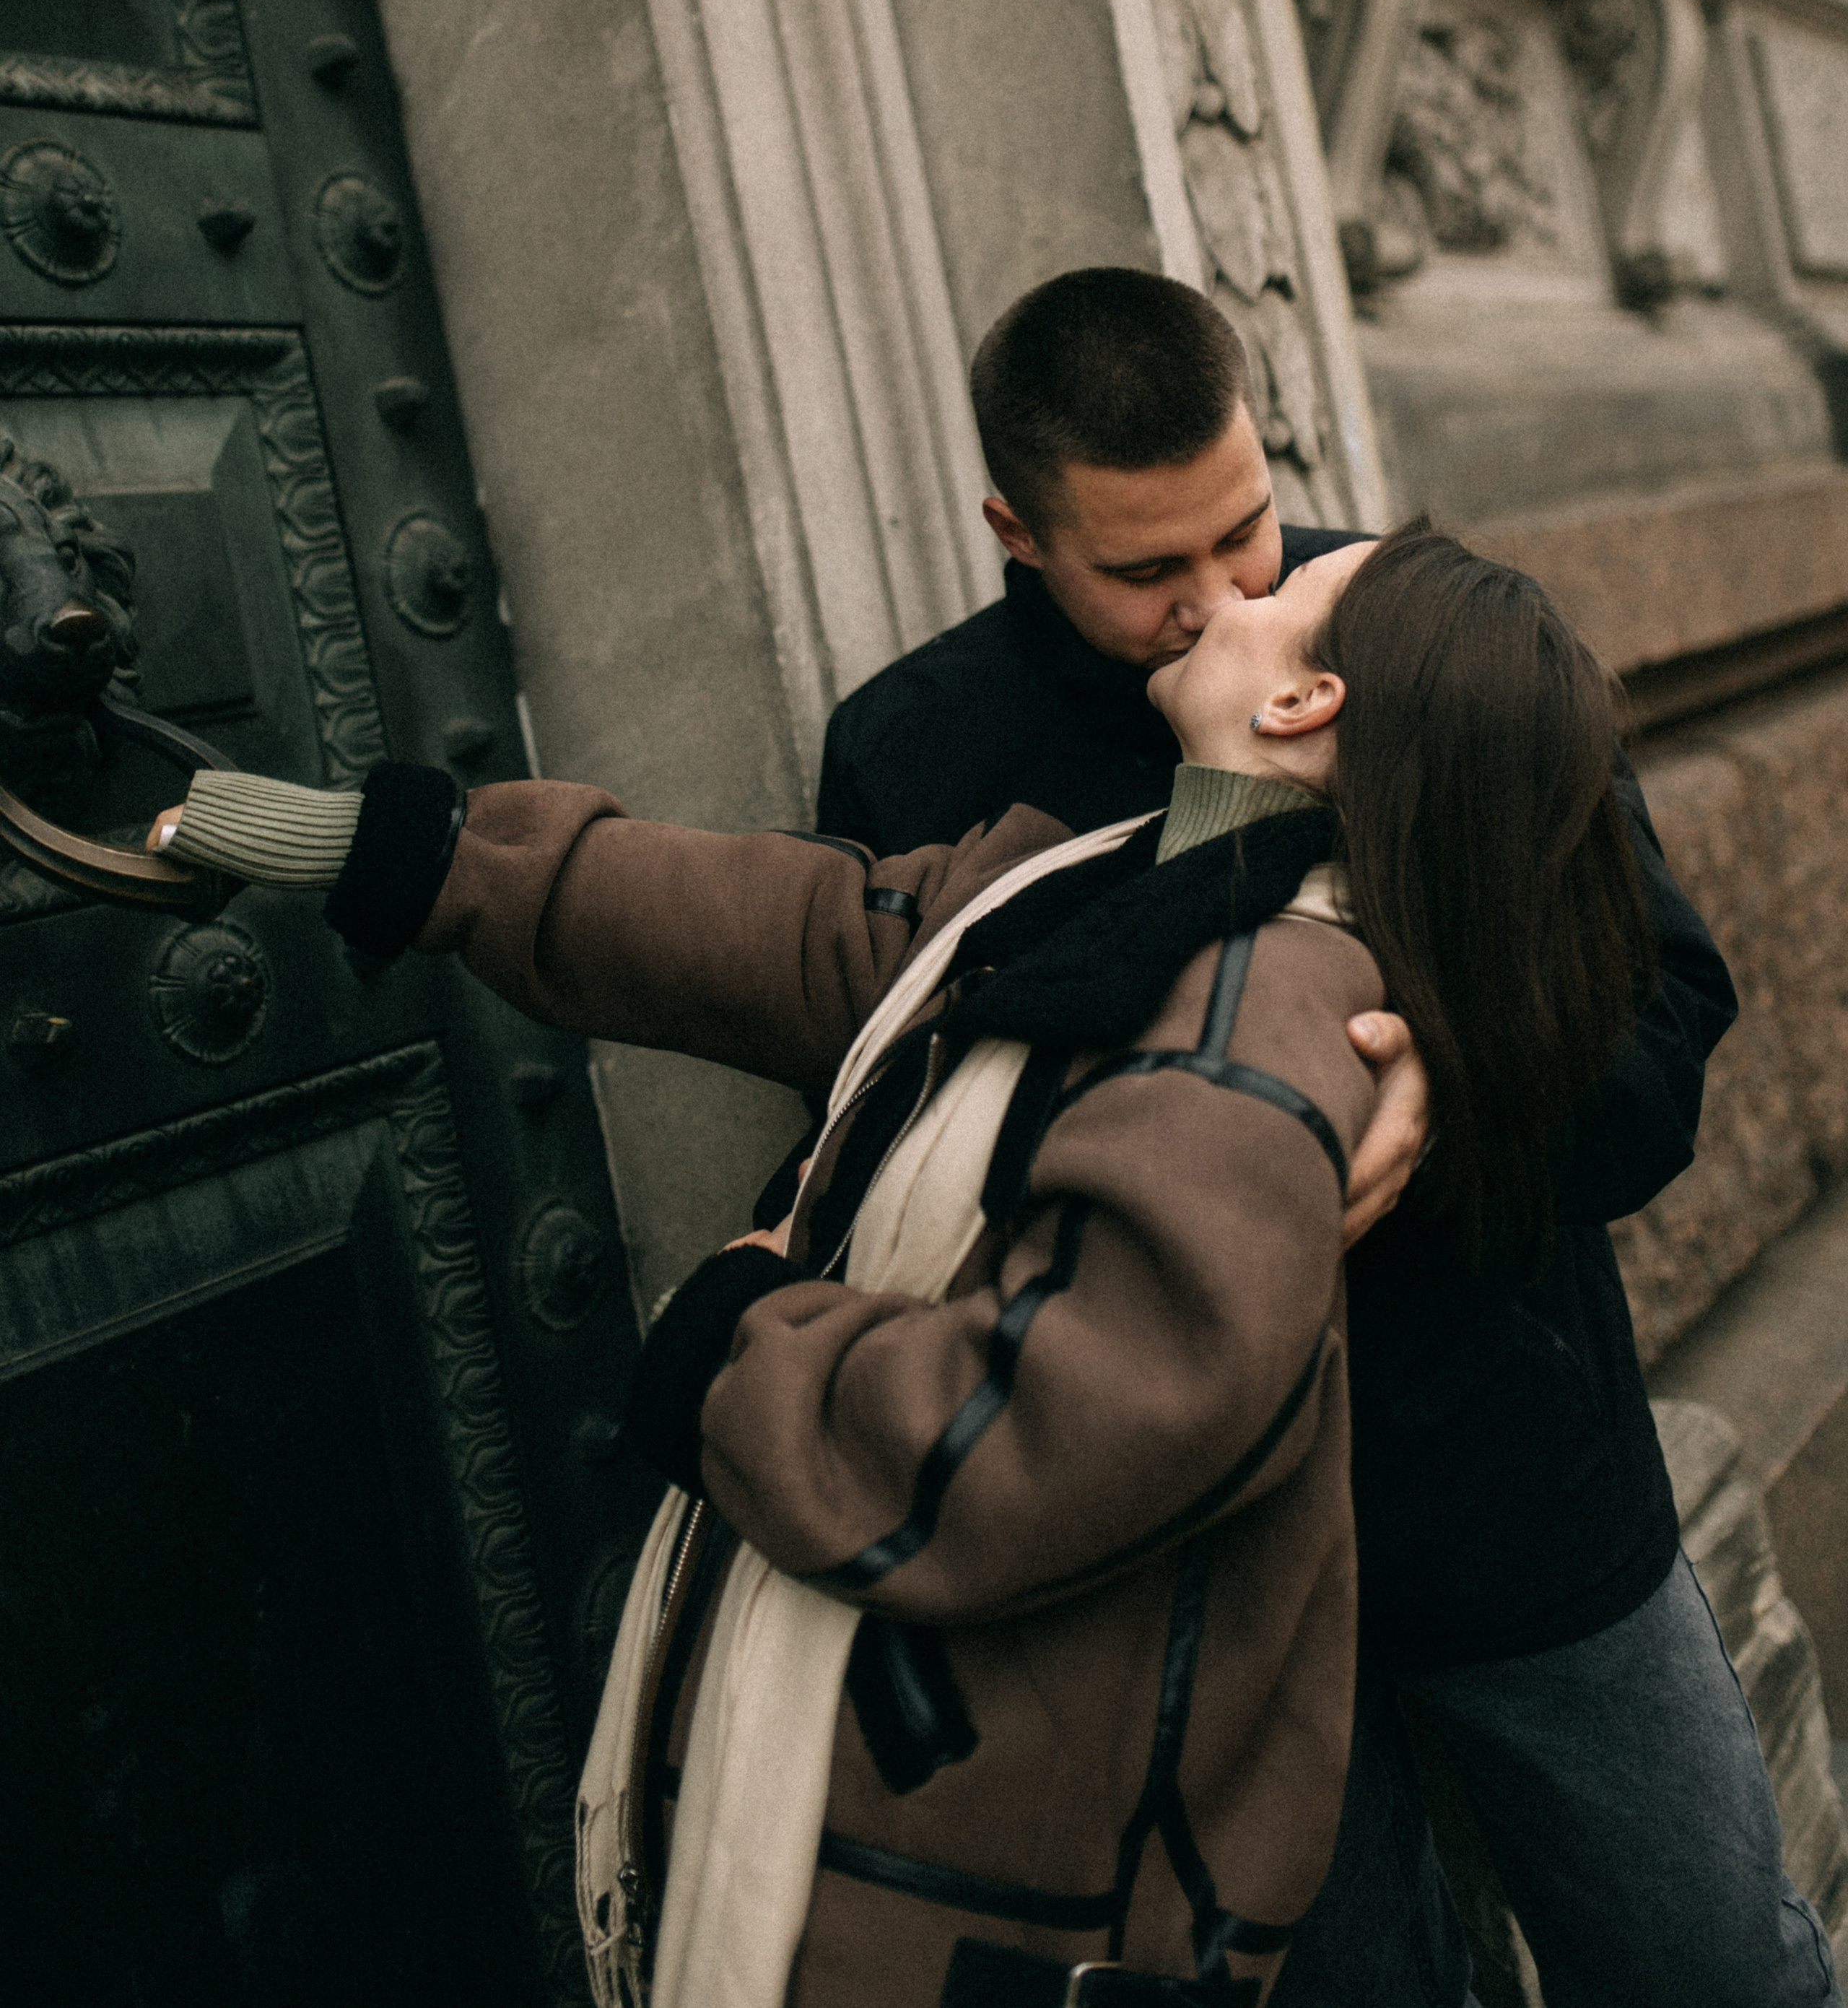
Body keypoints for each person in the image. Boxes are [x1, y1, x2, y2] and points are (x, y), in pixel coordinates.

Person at [150, 529, 1662, 2008]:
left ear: (1301, 704)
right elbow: (790, 922)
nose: (1232, 593)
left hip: (961, 1896)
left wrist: (737, 1348)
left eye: (1283, 591)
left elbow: (1067, 1413)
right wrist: (410, 854)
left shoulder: (1260, 1006)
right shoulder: (1121, 880)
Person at [816, 269, 1818, 2008]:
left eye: (1244, 535)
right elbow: (928, 1163)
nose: (1216, 610)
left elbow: (1663, 1031)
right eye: (1145, 573)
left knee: (1719, 1974)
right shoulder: (910, 752)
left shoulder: (1417, 630)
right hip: (1207, 1591)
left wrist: (1452, 1086)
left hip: (1529, 1507)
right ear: (1012, 529)